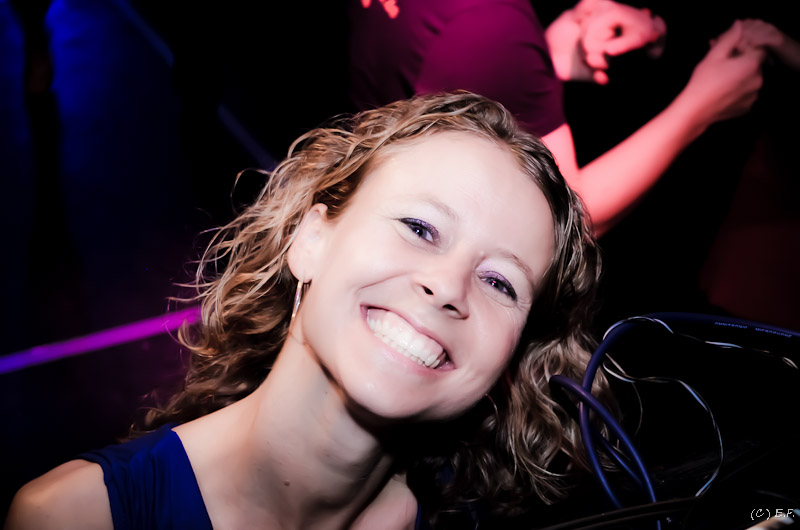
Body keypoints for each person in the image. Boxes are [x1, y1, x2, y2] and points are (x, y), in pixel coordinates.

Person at [5, 91, 608, 529]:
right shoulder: (74, 518)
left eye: (500, 282)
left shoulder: (469, 523)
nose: (449, 285)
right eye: (420, 227)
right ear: (311, 239)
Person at [347, 0, 769, 236]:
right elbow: (567, 218)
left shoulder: (484, 24)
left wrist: (541, 54)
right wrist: (700, 107)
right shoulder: (491, 27)